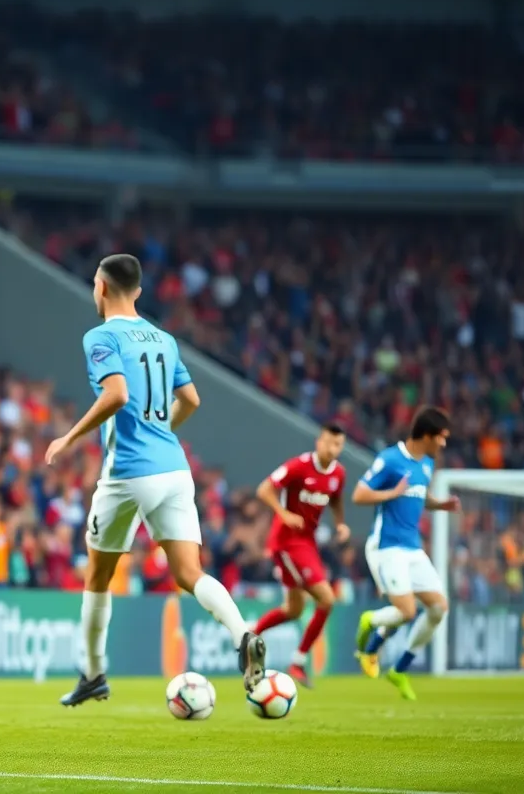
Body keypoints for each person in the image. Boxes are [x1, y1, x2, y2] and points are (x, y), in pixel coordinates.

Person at [45, 253, 266, 706]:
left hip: (127, 471)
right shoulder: (164, 339)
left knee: (98, 576)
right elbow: (191, 399)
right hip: (175, 468)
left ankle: (92, 674)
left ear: (101, 287)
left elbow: (117, 394)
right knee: (189, 573)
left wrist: (69, 437)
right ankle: (242, 633)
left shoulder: (101, 336)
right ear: (140, 292)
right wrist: (162, 431)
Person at [353, 407, 460, 700]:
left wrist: (440, 505)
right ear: (426, 435)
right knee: (407, 611)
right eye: (441, 437)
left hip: (412, 548)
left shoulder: (426, 464)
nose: (444, 444)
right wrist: (390, 493)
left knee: (439, 608)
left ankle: (399, 669)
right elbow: (359, 494)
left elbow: (420, 495)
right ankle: (370, 623)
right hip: (386, 547)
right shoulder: (389, 459)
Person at [251, 423, 349, 687]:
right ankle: (298, 662)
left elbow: (336, 498)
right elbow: (264, 489)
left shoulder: (338, 473)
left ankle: (249, 635)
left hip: (307, 543)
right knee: (326, 598)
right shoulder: (298, 466)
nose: (333, 448)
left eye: (338, 444)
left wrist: (340, 523)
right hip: (286, 542)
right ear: (319, 442)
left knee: (294, 610)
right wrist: (283, 514)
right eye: (329, 442)